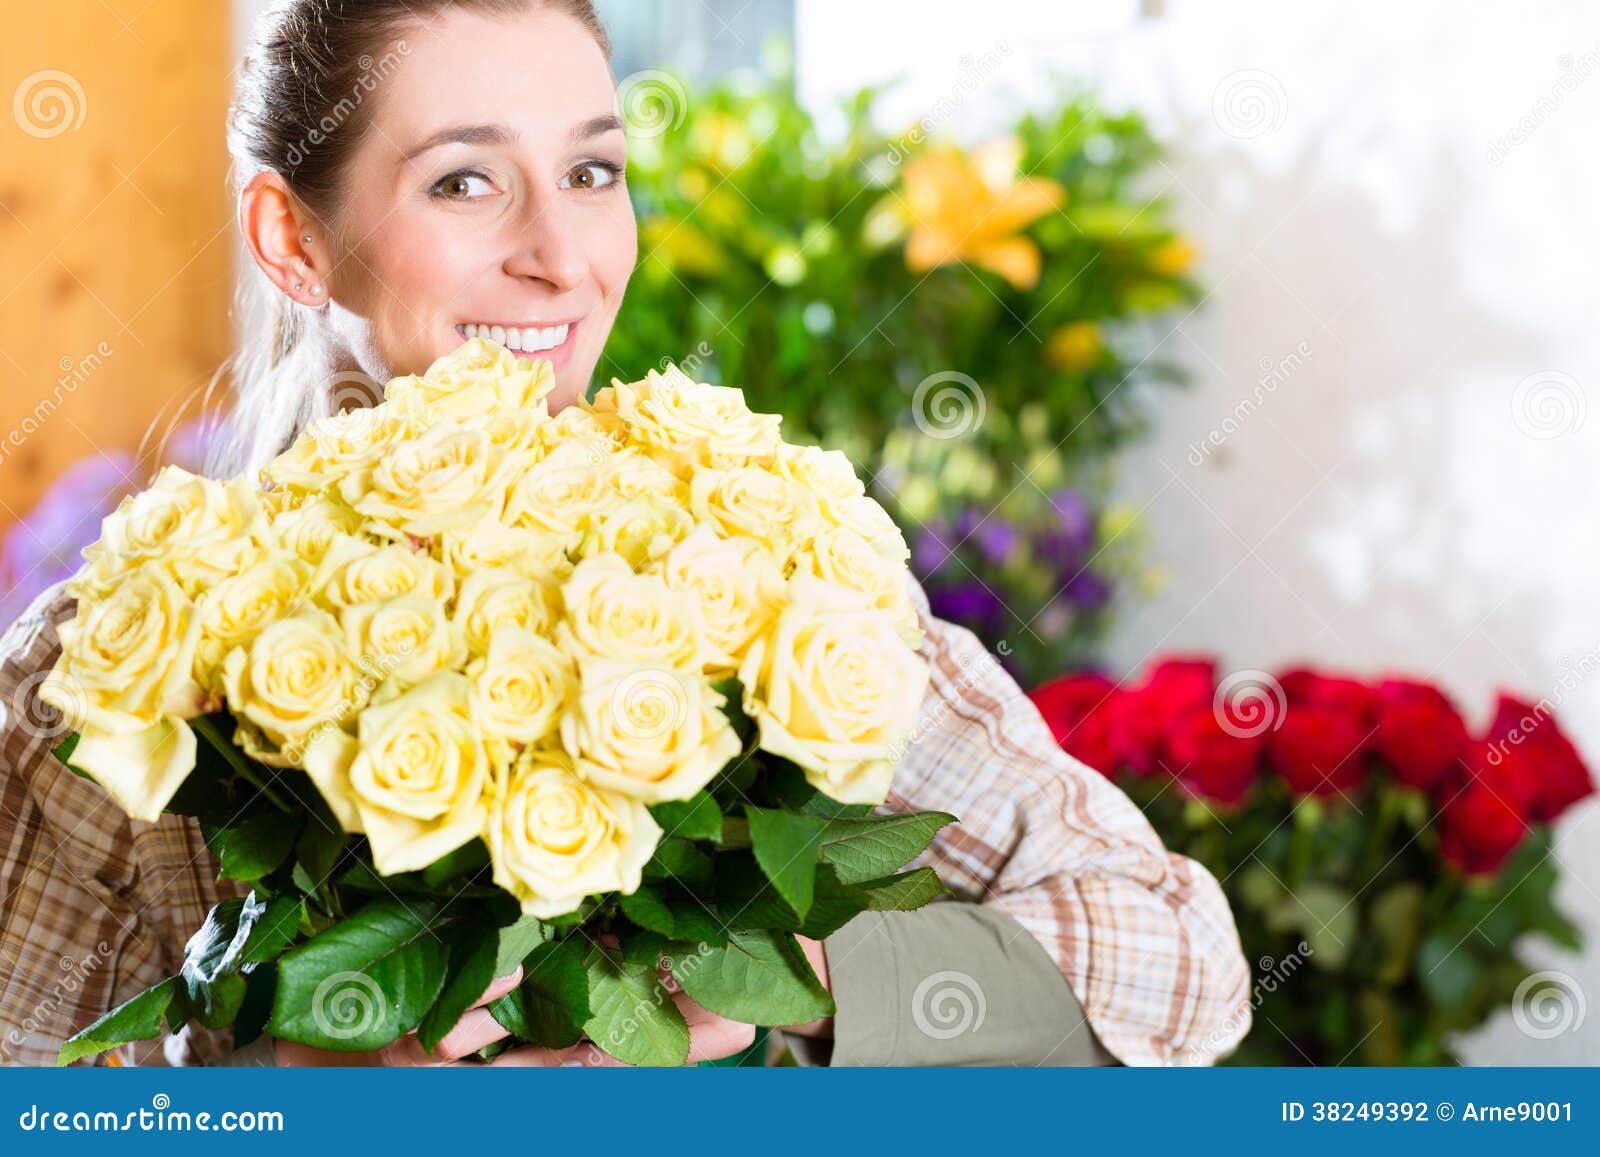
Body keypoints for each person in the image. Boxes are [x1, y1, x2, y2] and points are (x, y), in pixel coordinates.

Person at [0, 0, 1250, 1068]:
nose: (560, 255)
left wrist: (789, 973)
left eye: (592, 172)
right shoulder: (113, 664)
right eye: (464, 180)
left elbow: (1183, 962)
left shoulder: (750, 571)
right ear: (292, 237)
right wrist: (272, 1075)